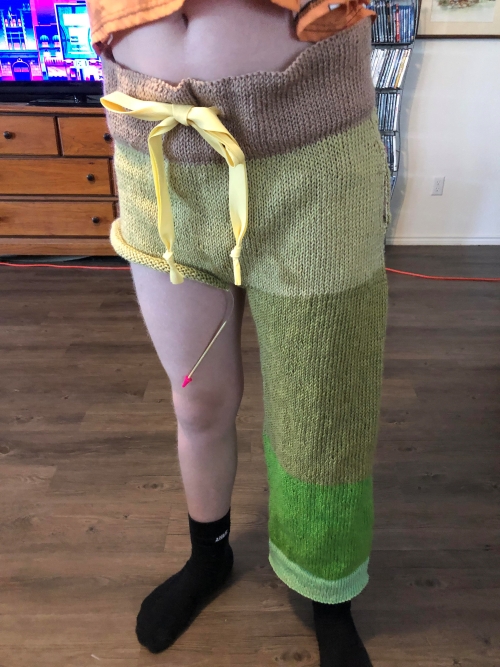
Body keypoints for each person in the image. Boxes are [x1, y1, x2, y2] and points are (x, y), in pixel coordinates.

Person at [87, 1, 391, 664]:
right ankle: (209, 555)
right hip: (154, 149)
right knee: (196, 400)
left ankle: (329, 592)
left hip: (314, 156)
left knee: (322, 411)